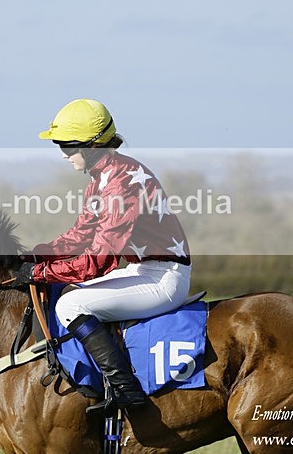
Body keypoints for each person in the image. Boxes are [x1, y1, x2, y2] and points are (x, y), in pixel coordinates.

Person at [13, 98, 192, 411]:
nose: (64, 155)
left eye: (68, 147)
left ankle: (127, 391)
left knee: (70, 303)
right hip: (144, 271)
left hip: (164, 278)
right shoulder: (102, 178)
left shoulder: (121, 184)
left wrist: (40, 273)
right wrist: (33, 257)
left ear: (92, 146)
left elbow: (98, 262)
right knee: (69, 293)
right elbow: (80, 236)